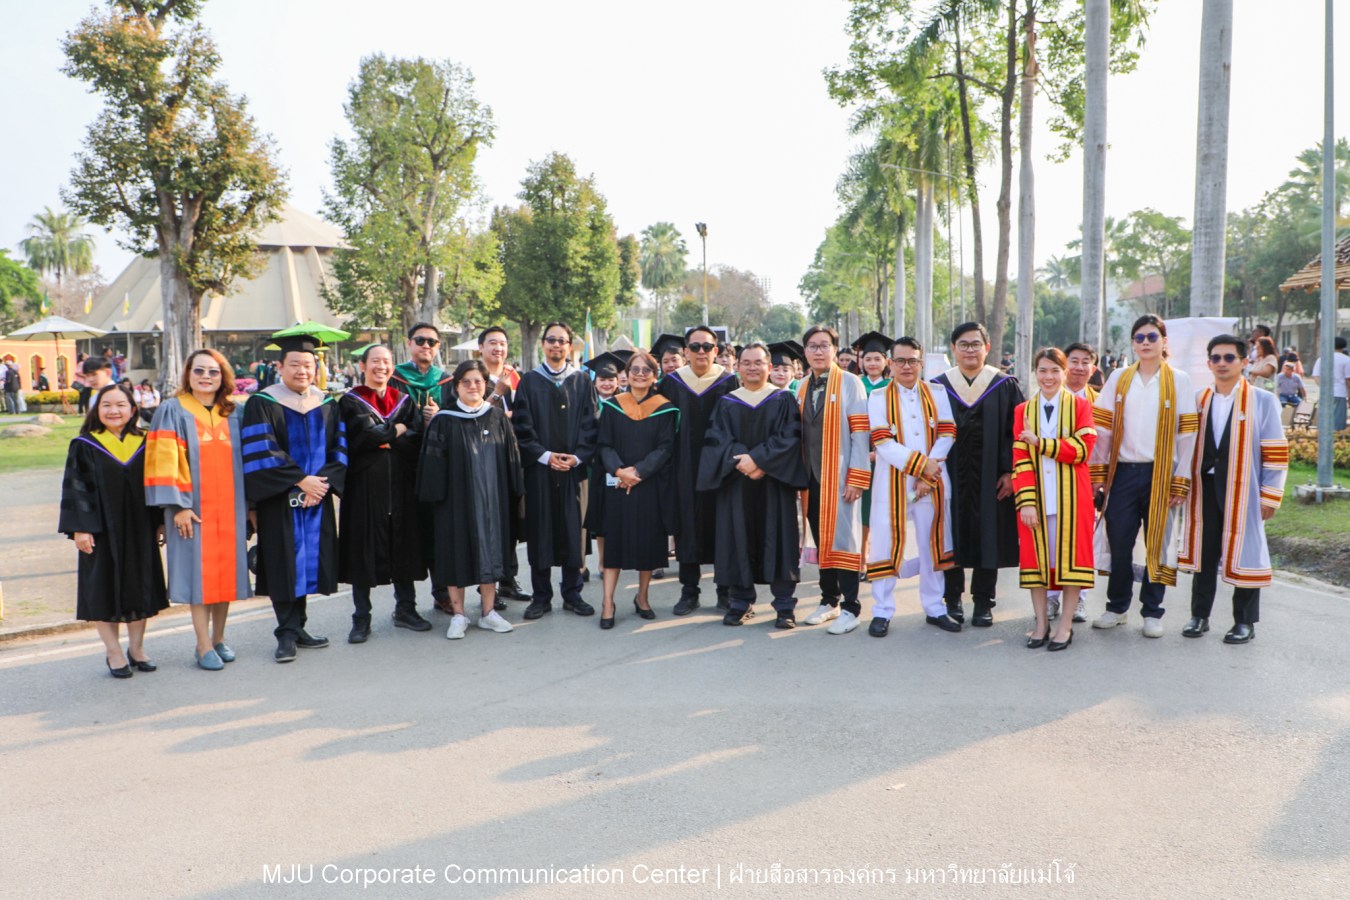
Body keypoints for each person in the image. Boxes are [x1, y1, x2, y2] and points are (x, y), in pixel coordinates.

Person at [1089, 314, 1198, 638]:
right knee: (1120, 542)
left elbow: (1187, 436)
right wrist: (1099, 475)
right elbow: (1103, 430)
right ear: (1133, 343)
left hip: (1161, 473)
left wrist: (1181, 480)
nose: (1146, 343)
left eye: (1152, 336)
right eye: (1139, 338)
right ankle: (1117, 607)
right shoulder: (1119, 378)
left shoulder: (1179, 380)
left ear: (1164, 341)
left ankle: (1153, 612)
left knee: (1159, 544)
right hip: (1122, 472)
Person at [145, 349, 252, 670]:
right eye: (199, 371)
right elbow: (163, 461)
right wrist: (176, 507)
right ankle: (202, 644)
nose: (206, 377)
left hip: (232, 508)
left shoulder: (236, 411)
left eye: (213, 372)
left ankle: (219, 638)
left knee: (226, 575)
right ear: (188, 374)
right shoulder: (172, 411)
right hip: (191, 509)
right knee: (199, 577)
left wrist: (252, 507)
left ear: (223, 377)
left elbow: (250, 463)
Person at [242, 335, 347, 662]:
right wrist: (301, 481)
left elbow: (340, 450)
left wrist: (320, 486)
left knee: (308, 565)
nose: (302, 371)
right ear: (280, 367)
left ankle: (298, 626)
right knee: (283, 563)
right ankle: (285, 633)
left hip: (318, 499)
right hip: (279, 501)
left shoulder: (327, 403)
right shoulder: (262, 403)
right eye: (295, 365)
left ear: (316, 368)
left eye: (308, 365)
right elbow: (262, 452)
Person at [1178, 336, 1288, 644]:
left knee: (1247, 550)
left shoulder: (1262, 400)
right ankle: (1199, 616)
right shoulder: (1198, 400)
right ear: (1208, 363)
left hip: (1245, 488)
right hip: (1205, 486)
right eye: (1216, 358)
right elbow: (1183, 446)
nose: (1222, 363)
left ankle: (1244, 622)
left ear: (1244, 362)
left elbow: (1275, 452)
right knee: (1205, 549)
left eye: (1229, 357)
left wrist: (1270, 495)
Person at [60, 382, 168, 677]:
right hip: (100, 532)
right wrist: (80, 529)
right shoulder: (85, 445)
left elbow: (158, 485)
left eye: (121, 405)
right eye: (106, 405)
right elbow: (76, 489)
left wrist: (160, 521)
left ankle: (136, 648)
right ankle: (113, 651)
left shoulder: (146, 442)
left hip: (140, 528)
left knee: (141, 587)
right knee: (102, 589)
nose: (114, 410)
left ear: (133, 410)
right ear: (97, 410)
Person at [698, 343, 809, 627]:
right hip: (737, 481)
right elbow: (718, 440)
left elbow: (790, 439)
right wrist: (744, 462)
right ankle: (740, 601)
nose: (751, 367)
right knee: (737, 537)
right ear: (737, 367)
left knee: (780, 539)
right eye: (746, 362)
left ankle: (784, 606)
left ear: (769, 367)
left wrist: (758, 461)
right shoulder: (727, 402)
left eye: (758, 362)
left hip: (774, 483)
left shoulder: (783, 400)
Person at [418, 360, 524, 639]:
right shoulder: (444, 420)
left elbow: (511, 457)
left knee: (491, 551)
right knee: (455, 552)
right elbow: (432, 465)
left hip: (493, 501)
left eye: (478, 381)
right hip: (456, 502)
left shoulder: (497, 416)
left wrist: (515, 491)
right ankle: (459, 615)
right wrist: (437, 500)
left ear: (485, 384)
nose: (473, 387)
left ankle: (488, 613)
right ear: (456, 386)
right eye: (466, 382)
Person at [865, 337, 959, 638]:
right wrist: (921, 467)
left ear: (921, 363)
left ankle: (934, 607)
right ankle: (881, 610)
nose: (907, 367)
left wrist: (928, 475)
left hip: (932, 481)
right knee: (885, 542)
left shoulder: (937, 391)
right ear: (890, 364)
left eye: (913, 361)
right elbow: (882, 442)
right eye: (901, 361)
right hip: (892, 480)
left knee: (931, 541)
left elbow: (947, 431)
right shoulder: (878, 396)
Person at [338, 344, 432, 643]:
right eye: (376, 361)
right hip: (364, 487)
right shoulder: (350, 401)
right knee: (363, 548)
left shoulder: (403, 400)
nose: (382, 366)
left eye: (387, 361)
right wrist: (399, 430)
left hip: (402, 486)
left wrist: (389, 437)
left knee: (404, 543)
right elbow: (367, 436)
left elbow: (418, 441)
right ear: (363, 365)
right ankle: (361, 618)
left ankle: (406, 609)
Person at [932, 322, 1024, 627]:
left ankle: (984, 602)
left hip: (991, 478)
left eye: (975, 344)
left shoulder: (1004, 384)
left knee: (989, 535)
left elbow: (1018, 432)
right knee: (950, 534)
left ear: (987, 348)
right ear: (953, 349)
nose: (970, 349)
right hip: (948, 476)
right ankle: (953, 599)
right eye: (963, 344)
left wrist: (1010, 472)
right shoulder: (937, 386)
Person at [511, 322, 598, 619]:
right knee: (541, 531)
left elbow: (592, 426)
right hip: (540, 471)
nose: (556, 345)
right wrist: (545, 456)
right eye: (551, 340)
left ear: (570, 346)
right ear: (543, 345)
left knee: (574, 530)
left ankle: (573, 594)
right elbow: (522, 428)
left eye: (562, 341)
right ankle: (541, 596)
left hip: (574, 471)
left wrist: (577, 458)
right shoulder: (529, 382)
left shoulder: (583, 382)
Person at [1012, 348, 1097, 652]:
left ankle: (1065, 626)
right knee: (1036, 562)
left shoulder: (1081, 406)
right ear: (1035, 372)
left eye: (1054, 371)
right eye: (1042, 370)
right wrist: (1027, 502)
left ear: (1064, 373)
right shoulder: (1023, 410)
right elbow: (1020, 459)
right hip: (1038, 497)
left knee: (1070, 562)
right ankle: (1040, 623)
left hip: (1073, 499)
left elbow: (1083, 450)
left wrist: (1041, 443)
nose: (1048, 377)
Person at [594, 349, 679, 628]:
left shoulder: (665, 408)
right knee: (614, 544)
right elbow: (604, 444)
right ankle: (608, 601)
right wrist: (620, 471)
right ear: (626, 375)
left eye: (646, 370)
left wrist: (638, 472)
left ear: (655, 376)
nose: (640, 374)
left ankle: (642, 597)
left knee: (647, 543)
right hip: (617, 483)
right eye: (634, 370)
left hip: (648, 484)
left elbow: (665, 448)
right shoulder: (613, 406)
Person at [658, 325, 739, 614]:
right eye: (695, 347)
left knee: (722, 526)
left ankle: (724, 590)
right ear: (686, 352)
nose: (701, 352)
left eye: (707, 346)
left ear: (716, 351)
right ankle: (689, 590)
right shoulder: (671, 384)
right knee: (687, 527)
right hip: (684, 467)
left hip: (721, 468)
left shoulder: (730, 383)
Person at [796, 325, 871, 635]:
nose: (818, 351)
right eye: (812, 346)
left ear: (834, 350)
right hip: (811, 477)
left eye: (824, 345)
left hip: (840, 476)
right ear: (805, 352)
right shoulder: (800, 386)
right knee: (820, 537)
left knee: (845, 539)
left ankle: (852, 607)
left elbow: (860, 433)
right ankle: (829, 601)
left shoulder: (851, 383)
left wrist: (856, 477)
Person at [1050, 341, 1101, 624]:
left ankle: (1078, 597)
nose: (1079, 367)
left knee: (1081, 542)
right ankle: (1050, 598)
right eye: (1074, 361)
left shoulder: (1102, 401)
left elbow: (1104, 443)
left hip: (1086, 482)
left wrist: (1100, 479)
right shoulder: (1046, 398)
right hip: (1051, 479)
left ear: (1093, 368)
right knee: (1050, 540)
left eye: (1086, 362)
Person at [582, 351, 627, 584]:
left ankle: (609, 559)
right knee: (593, 516)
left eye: (611, 379)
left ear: (618, 381)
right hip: (592, 467)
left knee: (611, 516)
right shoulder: (587, 403)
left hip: (615, 466)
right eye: (602, 379)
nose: (607, 383)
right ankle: (590, 562)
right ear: (595, 381)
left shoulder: (625, 403)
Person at [854, 332, 892, 577]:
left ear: (886, 361)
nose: (872, 364)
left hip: (886, 457)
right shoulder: (855, 384)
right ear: (861, 361)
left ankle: (883, 557)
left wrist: (880, 452)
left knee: (885, 509)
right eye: (868, 359)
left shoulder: (893, 386)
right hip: (859, 454)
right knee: (863, 511)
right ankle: (862, 558)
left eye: (877, 359)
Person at [1310, 336, 1350, 432]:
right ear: (1343, 347)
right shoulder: (1346, 360)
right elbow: (1348, 379)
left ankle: (1323, 441)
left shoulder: (1322, 358)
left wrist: (1324, 387)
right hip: (1340, 393)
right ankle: (1336, 443)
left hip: (1325, 394)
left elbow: (1316, 376)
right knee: (1338, 422)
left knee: (1324, 420)